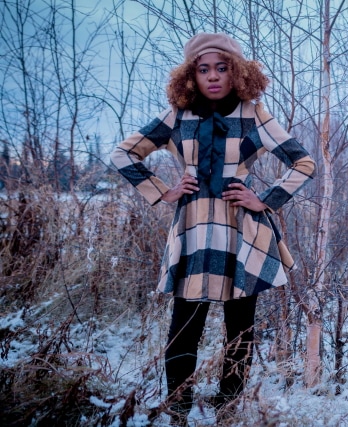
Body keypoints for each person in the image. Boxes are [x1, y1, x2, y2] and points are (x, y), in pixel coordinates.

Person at [110, 32, 315, 426]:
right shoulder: (177, 118)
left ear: (237, 72)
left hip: (243, 232)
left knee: (241, 327)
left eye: (222, 68)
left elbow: (302, 163)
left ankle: (227, 406)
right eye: (204, 69)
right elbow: (123, 153)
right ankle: (179, 406)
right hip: (192, 230)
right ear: (191, 76)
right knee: (185, 325)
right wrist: (164, 192)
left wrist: (265, 198)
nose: (213, 76)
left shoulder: (254, 114)